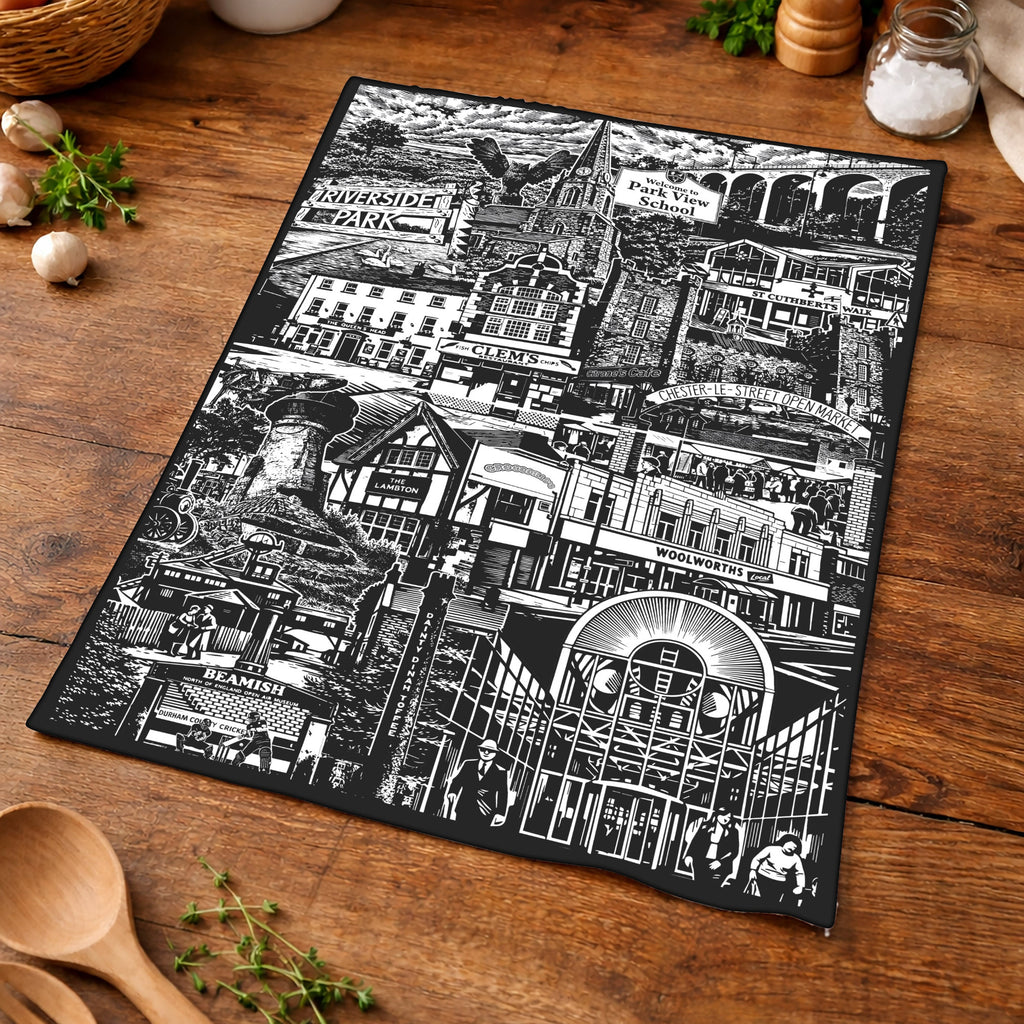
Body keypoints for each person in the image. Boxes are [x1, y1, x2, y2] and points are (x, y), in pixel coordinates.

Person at [444, 738, 510, 829]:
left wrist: (501, 813)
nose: (486, 752)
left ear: (495, 753)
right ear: (479, 750)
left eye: (490, 751)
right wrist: (452, 792)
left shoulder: (501, 772)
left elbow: (503, 794)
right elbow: (457, 781)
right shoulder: (468, 764)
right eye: (483, 749)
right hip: (464, 808)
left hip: (485, 811)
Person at [683, 809, 741, 887]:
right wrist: (689, 855)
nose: (726, 818)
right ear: (717, 815)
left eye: (729, 817)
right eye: (724, 815)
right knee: (699, 886)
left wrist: (720, 862)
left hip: (721, 866)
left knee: (712, 888)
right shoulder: (705, 827)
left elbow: (734, 851)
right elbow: (695, 843)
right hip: (701, 863)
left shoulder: (733, 832)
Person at [748, 833, 806, 907]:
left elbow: (800, 873)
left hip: (778, 884)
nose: (792, 848)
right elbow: (757, 859)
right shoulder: (771, 849)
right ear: (784, 842)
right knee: (754, 901)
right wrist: (752, 870)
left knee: (771, 904)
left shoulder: (796, 858)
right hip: (761, 878)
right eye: (790, 845)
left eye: (794, 847)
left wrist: (800, 886)